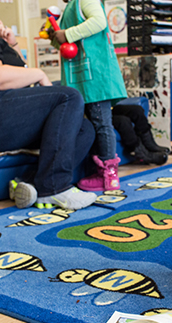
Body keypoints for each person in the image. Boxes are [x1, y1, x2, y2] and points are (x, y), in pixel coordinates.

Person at [0, 0, 97, 210]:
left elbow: (19, 81)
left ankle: (27, 183)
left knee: (85, 129)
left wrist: (12, 46)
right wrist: (40, 73)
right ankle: (55, 187)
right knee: (68, 96)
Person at [49, 0, 128, 191]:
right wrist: (56, 36)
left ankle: (108, 176)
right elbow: (64, 42)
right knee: (93, 124)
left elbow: (99, 22)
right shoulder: (70, 7)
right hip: (82, 76)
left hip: (96, 75)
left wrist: (67, 33)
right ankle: (97, 170)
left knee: (101, 122)